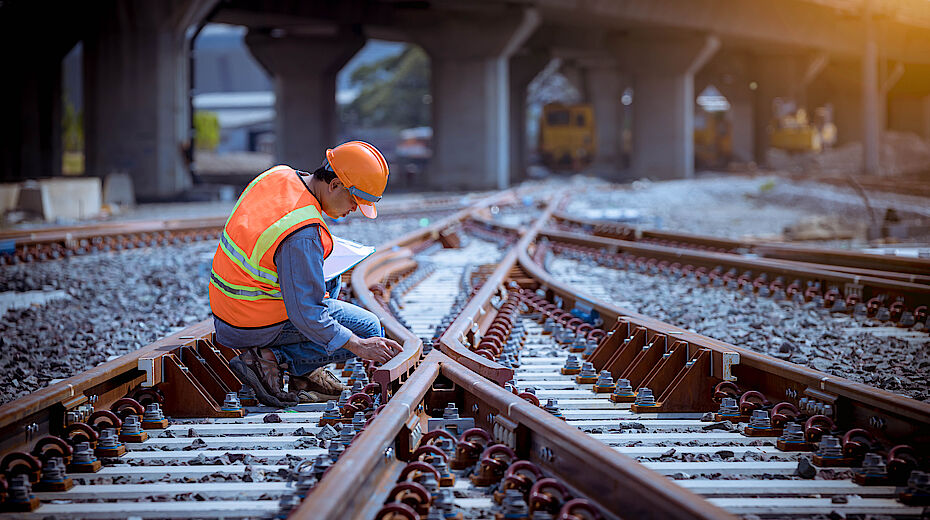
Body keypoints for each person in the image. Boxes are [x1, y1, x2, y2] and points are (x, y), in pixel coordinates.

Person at [209, 141, 403, 407]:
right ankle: (273, 359)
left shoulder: (279, 175)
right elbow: (307, 314)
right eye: (354, 200)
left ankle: (300, 370)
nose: (354, 209)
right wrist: (357, 344)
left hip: (230, 307)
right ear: (334, 185)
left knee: (329, 275)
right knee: (368, 327)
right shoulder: (302, 233)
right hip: (250, 322)